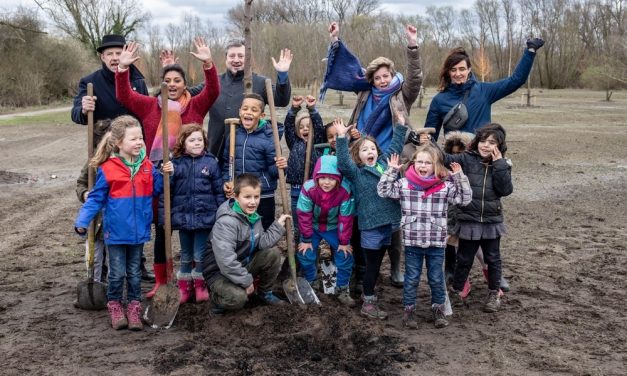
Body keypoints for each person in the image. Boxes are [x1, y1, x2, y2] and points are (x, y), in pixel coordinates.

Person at [115, 37, 220, 298]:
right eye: (168, 81)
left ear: (185, 84)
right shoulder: (150, 106)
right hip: (159, 175)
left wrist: (208, 63)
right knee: (162, 227)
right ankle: (163, 281)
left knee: (193, 228)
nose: (172, 85)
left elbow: (213, 91)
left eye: (177, 81)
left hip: (190, 175)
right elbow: (124, 95)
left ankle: (197, 280)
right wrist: (123, 70)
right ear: (162, 83)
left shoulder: (195, 105)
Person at [320, 21, 424, 287]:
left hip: (393, 158)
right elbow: (346, 70)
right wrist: (335, 40)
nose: (381, 81)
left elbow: (415, 77)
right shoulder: (365, 94)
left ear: (392, 75)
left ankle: (396, 268)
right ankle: (364, 264)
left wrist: (412, 45)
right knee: (361, 208)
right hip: (363, 157)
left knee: (393, 211)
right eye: (377, 77)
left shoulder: (402, 96)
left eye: (385, 76)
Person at [74, 115, 172, 330]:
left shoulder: (146, 166)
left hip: (138, 232)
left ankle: (134, 308)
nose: (139, 142)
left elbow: (156, 190)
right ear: (118, 143)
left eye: (141, 138)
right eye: (133, 139)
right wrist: (82, 221)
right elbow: (96, 199)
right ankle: (115, 305)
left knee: (135, 274)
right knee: (117, 274)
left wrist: (165, 175)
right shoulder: (108, 169)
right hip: (115, 233)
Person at [71, 35, 154, 283]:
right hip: (105, 153)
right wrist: (83, 108)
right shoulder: (90, 83)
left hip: (133, 153)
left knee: (134, 209)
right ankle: (103, 267)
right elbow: (76, 115)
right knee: (106, 209)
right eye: (111, 54)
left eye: (119, 53)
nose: (115, 58)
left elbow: (144, 112)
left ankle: (137, 265)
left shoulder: (137, 79)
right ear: (102, 57)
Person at [377, 146, 472, 328]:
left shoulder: (444, 186)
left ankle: (438, 311)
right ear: (413, 163)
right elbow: (383, 191)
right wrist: (391, 171)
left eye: (428, 162)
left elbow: (465, 199)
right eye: (420, 161)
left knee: (436, 279)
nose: (423, 165)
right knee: (412, 278)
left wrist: (459, 177)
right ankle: (409, 311)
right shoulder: (404, 184)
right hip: (412, 242)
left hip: (436, 242)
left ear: (436, 165)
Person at [334, 113, 408, 320]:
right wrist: (341, 138)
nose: (370, 152)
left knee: (380, 262)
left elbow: (395, 148)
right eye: (364, 149)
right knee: (372, 264)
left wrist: (400, 127)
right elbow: (343, 161)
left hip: (390, 223)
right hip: (370, 226)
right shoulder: (356, 173)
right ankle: (368, 301)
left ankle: (370, 294)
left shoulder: (384, 164)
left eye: (372, 149)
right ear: (358, 155)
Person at [182, 38, 293, 160]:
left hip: (247, 153)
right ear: (226, 59)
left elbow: (281, 100)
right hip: (214, 151)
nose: (236, 60)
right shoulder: (213, 82)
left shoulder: (260, 82)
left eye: (241, 56)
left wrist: (282, 75)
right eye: (232, 56)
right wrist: (171, 72)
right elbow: (186, 94)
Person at [443, 124, 513, 313]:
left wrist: (499, 164)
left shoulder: (503, 165)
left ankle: (493, 294)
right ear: (476, 141)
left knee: (493, 258)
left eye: (492, 142)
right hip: (469, 218)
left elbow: (505, 190)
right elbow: (445, 157)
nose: (486, 145)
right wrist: (426, 143)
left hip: (491, 220)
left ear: (499, 145)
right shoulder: (466, 158)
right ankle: (456, 291)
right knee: (464, 258)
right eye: (483, 140)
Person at [202, 173, 290, 314]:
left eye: (256, 197)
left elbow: (261, 243)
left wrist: (278, 226)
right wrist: (247, 281)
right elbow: (226, 261)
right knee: (238, 298)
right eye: (247, 197)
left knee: (272, 254)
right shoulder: (227, 222)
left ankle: (265, 293)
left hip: (241, 265)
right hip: (219, 273)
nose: (253, 202)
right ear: (235, 197)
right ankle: (216, 299)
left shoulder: (253, 216)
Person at [424, 38, 545, 140]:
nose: (458, 73)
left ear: (469, 69)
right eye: (453, 70)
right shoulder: (439, 100)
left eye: (462, 69)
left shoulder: (484, 91)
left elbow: (516, 80)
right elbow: (430, 137)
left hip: (481, 157)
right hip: (454, 160)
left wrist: (530, 51)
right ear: (448, 72)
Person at [167, 124, 225, 303]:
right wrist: (167, 174)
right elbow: (166, 191)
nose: (197, 143)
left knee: (200, 254)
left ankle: (200, 285)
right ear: (183, 143)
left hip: (205, 217)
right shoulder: (175, 164)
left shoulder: (211, 163)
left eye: (200, 139)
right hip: (183, 217)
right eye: (192, 140)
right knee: (185, 253)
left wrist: (222, 213)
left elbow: (218, 191)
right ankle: (185, 286)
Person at [221, 93, 287, 231]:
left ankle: (264, 252)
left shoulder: (269, 138)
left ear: (262, 116)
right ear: (240, 112)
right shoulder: (233, 135)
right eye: (245, 109)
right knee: (240, 228)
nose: (248, 112)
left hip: (262, 194)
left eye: (254, 110)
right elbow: (227, 164)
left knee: (263, 227)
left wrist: (280, 166)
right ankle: (245, 252)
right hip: (240, 193)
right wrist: (227, 181)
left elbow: (274, 173)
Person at [296, 155, 355, 306]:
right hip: (313, 227)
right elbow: (304, 214)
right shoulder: (309, 188)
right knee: (305, 252)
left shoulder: (344, 190)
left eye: (331, 178)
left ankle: (342, 289)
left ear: (338, 178)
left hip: (334, 227)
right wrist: (307, 239)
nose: (326, 182)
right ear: (316, 177)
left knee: (345, 254)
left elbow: (346, 217)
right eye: (322, 178)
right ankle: (312, 281)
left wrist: (343, 241)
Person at [75, 120, 113, 284]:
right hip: (96, 220)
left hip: (115, 221)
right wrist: (84, 194)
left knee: (114, 260)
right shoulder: (93, 163)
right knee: (94, 258)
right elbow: (81, 183)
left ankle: (114, 289)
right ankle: (94, 285)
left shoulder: (126, 162)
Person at [285, 95, 326, 237]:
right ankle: (299, 252)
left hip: (313, 191)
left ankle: (312, 251)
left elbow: (319, 127)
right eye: (301, 127)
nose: (305, 129)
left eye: (308, 127)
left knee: (312, 225)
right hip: (296, 191)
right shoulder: (294, 143)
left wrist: (312, 110)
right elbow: (288, 126)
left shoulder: (318, 144)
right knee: (298, 226)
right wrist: (294, 109)